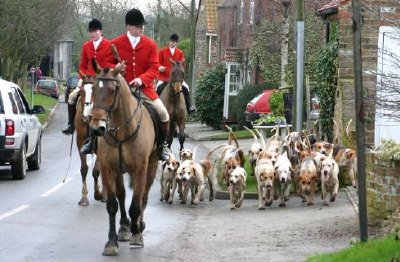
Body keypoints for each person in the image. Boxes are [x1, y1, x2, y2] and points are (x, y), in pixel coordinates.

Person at [110, 8, 170, 161]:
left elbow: (154, 68)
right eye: (137, 26)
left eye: (142, 26)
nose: (141, 28)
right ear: (128, 26)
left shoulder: (150, 45)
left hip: (145, 89)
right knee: (96, 111)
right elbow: (107, 65)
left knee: (163, 113)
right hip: (121, 89)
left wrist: (141, 79)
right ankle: (93, 142)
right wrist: (116, 69)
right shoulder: (115, 44)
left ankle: (162, 146)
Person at [62, 18, 114, 145]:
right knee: (72, 97)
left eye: (95, 31)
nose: (93, 33)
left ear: (101, 31)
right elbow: (82, 65)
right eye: (91, 31)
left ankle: (110, 125)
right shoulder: (86, 46)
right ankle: (71, 125)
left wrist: (100, 76)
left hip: (100, 80)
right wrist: (82, 78)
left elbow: (109, 64)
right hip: (87, 80)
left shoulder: (108, 45)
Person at [156, 33, 196, 114]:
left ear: (176, 43)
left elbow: (183, 64)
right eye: (171, 41)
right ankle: (155, 108)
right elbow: (157, 63)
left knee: (186, 88)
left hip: (177, 79)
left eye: (174, 42)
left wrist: (182, 64)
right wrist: (159, 67)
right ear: (169, 41)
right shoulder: (162, 51)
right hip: (164, 77)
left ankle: (189, 107)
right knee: (157, 89)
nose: (172, 43)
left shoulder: (180, 52)